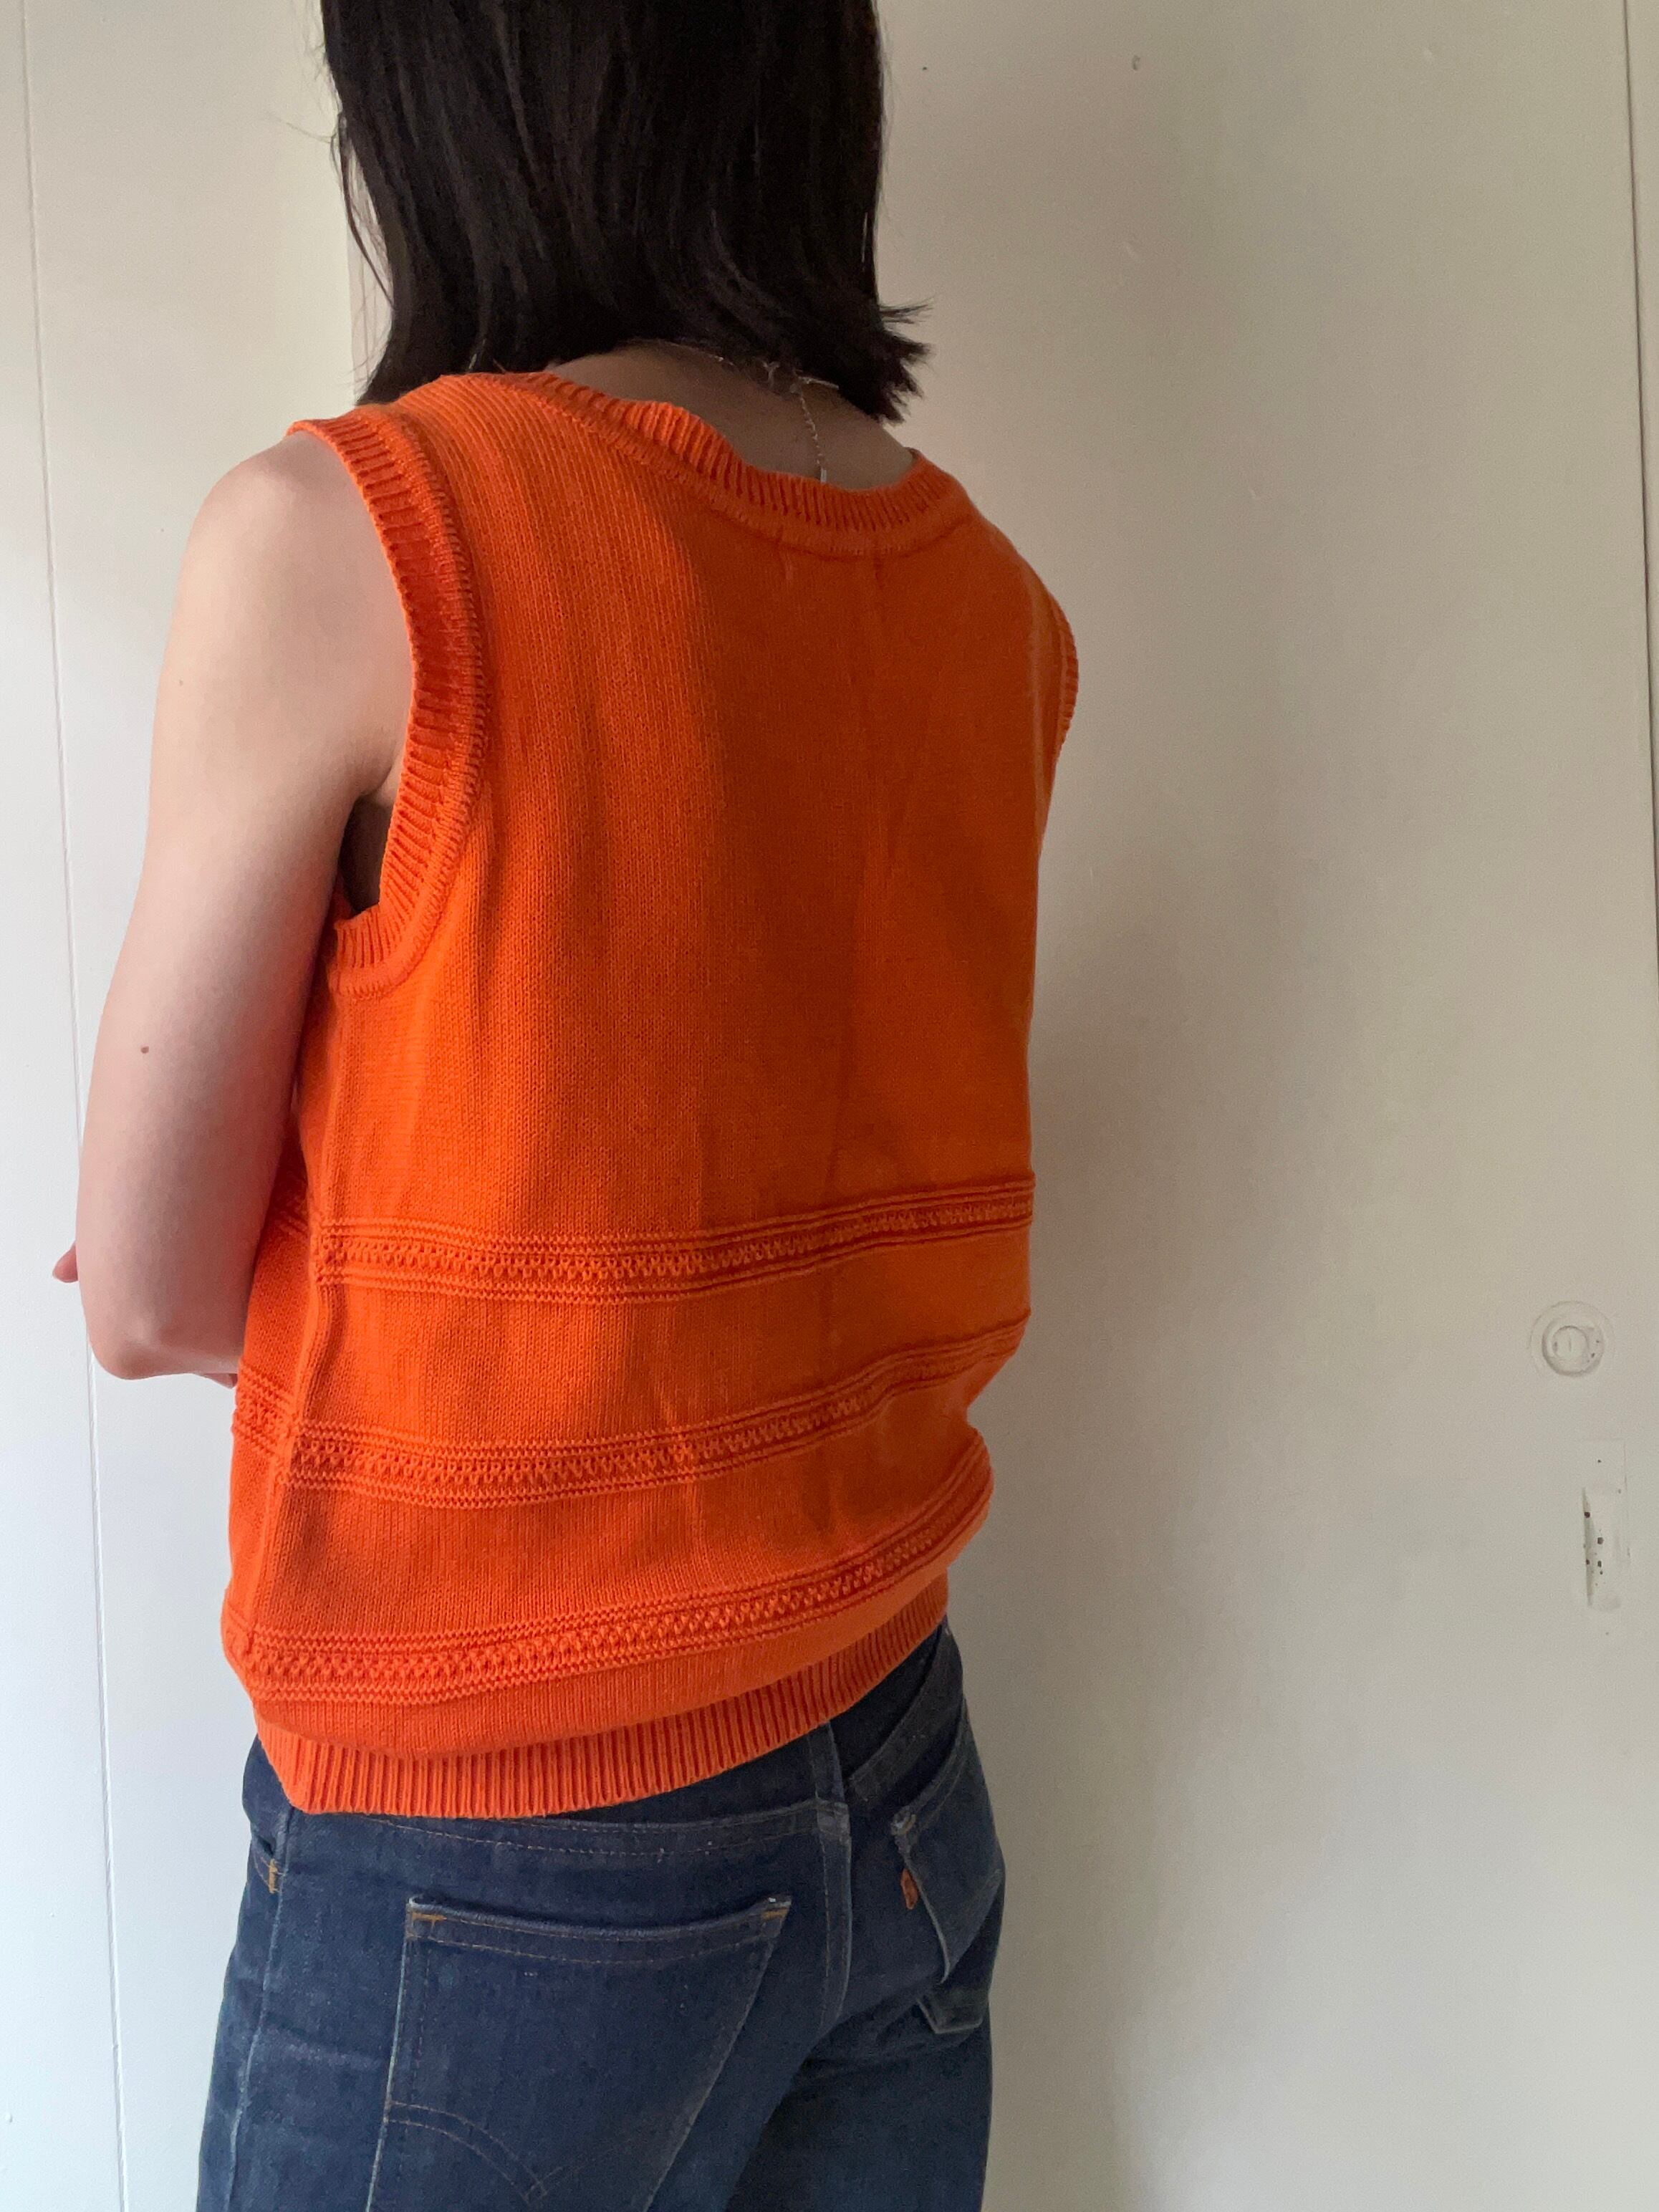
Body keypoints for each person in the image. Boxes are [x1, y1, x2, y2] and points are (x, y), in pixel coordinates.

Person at [59, 2, 1077, 2205]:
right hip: (898, 1766)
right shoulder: (991, 597)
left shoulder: (358, 532)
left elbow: (144, 1299)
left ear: (447, 108)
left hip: (502, 1841)